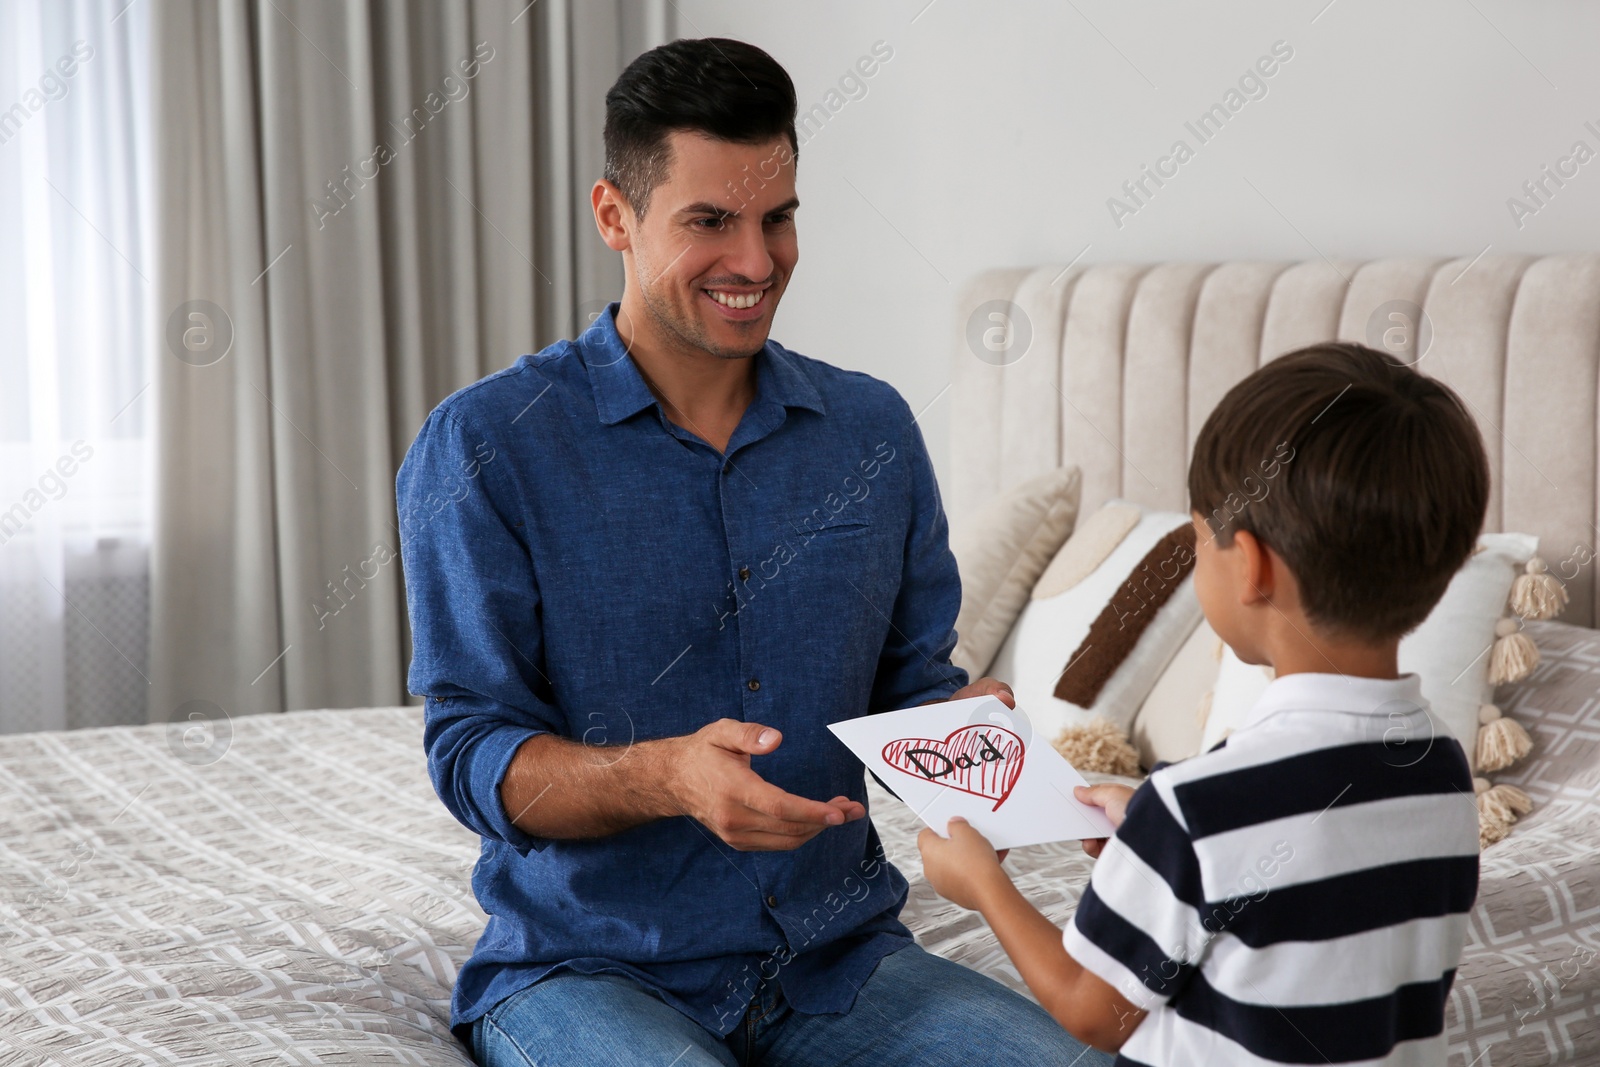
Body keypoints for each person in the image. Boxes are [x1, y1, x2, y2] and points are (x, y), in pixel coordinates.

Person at [396, 36, 1114, 1067]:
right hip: (590, 967)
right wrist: (667, 777)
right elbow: (472, 755)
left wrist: (965, 738)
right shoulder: (483, 446)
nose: (755, 261)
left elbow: (910, 689)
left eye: (777, 219)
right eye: (710, 223)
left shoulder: (871, 433)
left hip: (840, 962)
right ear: (614, 216)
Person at [918, 341, 1486, 1063]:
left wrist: (984, 883)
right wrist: (1155, 830)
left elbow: (1094, 1009)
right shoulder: (1440, 771)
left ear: (1248, 565)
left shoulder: (1197, 811)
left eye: (1196, 540)